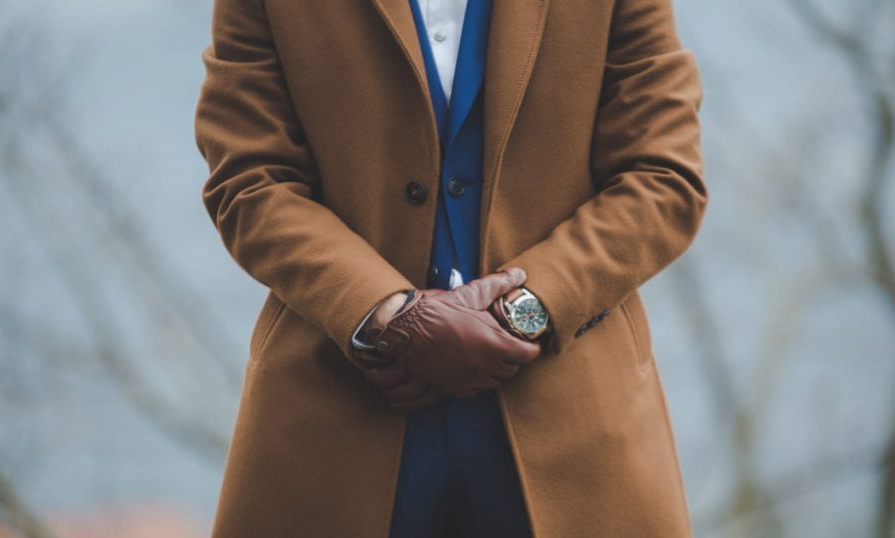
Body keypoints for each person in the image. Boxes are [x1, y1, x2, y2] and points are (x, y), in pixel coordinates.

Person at [194, 0, 707, 536]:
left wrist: (522, 314)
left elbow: (663, 177)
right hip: (337, 420)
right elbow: (250, 181)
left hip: (573, 423)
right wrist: (386, 312)